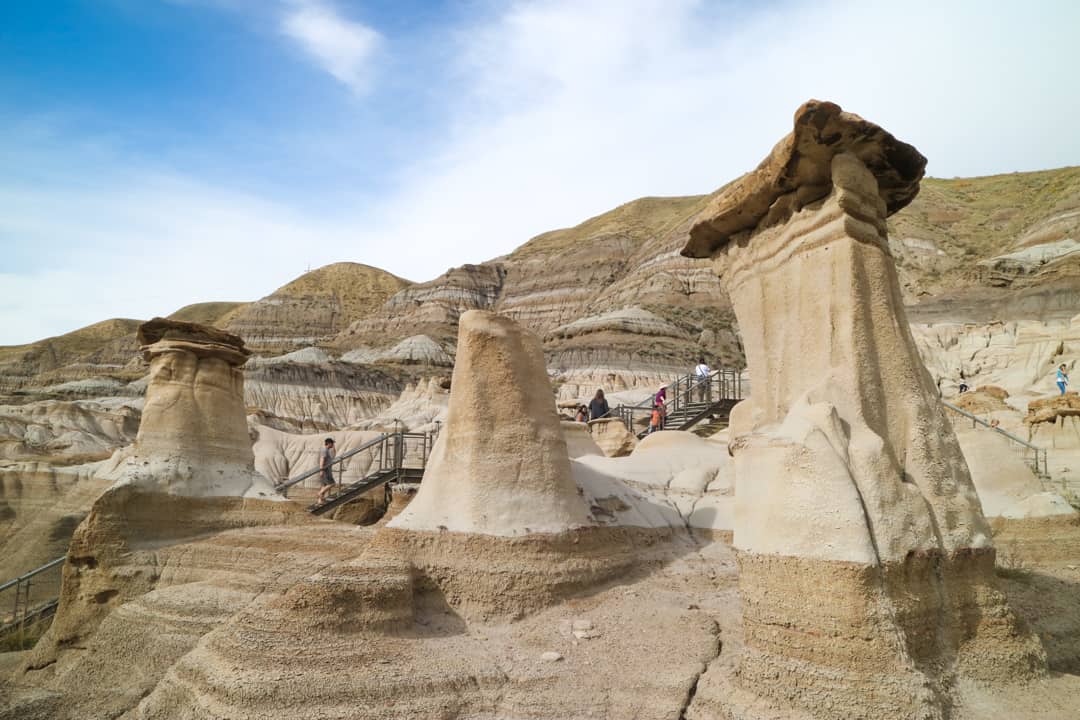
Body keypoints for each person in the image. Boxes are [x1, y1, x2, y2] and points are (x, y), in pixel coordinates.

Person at [316, 438, 337, 503]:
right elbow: (322, 460)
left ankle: (320, 501)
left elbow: (334, 454)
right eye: (332, 443)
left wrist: (333, 447)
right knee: (332, 484)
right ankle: (320, 493)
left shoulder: (327, 450)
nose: (333, 444)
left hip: (325, 470)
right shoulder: (325, 450)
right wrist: (321, 470)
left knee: (324, 485)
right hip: (326, 470)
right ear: (329, 443)